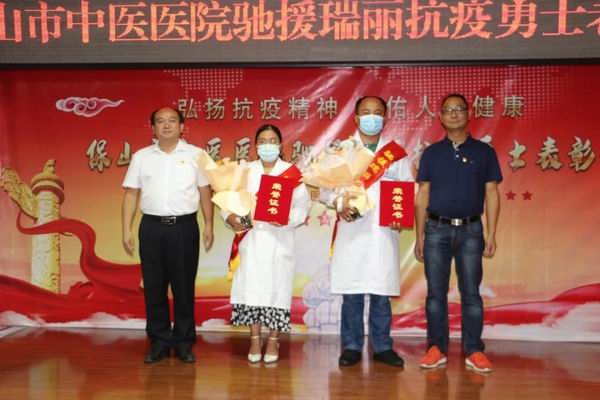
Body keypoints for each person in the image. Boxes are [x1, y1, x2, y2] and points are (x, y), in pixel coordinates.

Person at [320, 96, 413, 367]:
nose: (372, 117)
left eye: (377, 112)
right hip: (352, 230)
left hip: (383, 232)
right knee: (353, 292)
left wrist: (401, 214)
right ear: (357, 118)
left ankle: (382, 346)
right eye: (366, 112)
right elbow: (323, 188)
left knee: (381, 292)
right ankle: (351, 346)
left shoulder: (395, 153)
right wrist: (339, 203)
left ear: (385, 117)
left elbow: (408, 186)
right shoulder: (341, 150)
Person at [414, 93, 502, 373]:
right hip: (436, 230)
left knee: (471, 294)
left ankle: (474, 350)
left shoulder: (484, 152)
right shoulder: (431, 153)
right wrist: (419, 236)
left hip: (471, 230)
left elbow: (492, 192)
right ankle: (436, 349)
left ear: (468, 114)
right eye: (448, 110)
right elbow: (422, 195)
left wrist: (491, 233)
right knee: (435, 294)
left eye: (459, 109)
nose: (453, 114)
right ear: (440, 117)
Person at [121, 107, 214, 364]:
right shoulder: (141, 157)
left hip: (184, 228)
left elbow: (205, 191)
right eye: (160, 121)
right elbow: (131, 194)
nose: (166, 125)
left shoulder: (197, 155)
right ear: (152, 128)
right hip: (151, 228)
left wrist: (209, 224)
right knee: (154, 287)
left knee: (183, 287)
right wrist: (126, 228)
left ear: (182, 126)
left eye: (172, 120)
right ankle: (159, 342)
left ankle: (184, 342)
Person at [223, 124, 311, 364]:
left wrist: (287, 218)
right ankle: (254, 339)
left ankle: (273, 339)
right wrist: (229, 217)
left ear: (280, 146)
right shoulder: (245, 171)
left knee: (277, 292)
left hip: (278, 241)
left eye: (272, 141)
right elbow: (227, 201)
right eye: (262, 141)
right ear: (256, 146)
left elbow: (303, 207)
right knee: (251, 290)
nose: (267, 145)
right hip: (250, 241)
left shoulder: (291, 173)